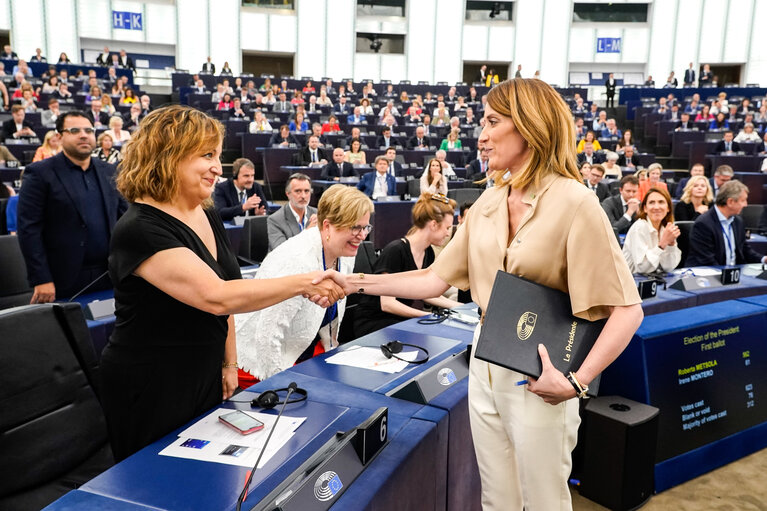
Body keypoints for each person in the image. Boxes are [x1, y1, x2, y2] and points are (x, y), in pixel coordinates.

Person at [320, 79, 643, 511]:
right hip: (484, 361)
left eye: (492, 122)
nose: (482, 136)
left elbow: (627, 310)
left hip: (540, 377)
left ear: (530, 126)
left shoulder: (577, 204)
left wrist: (575, 382)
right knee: (496, 499)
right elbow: (435, 279)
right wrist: (353, 283)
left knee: (545, 502)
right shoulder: (489, 202)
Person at [99, 105, 342, 461]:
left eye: (218, 155)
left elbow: (226, 287)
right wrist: (307, 281)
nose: (218, 167)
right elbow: (217, 296)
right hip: (153, 381)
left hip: (205, 370)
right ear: (168, 156)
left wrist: (229, 364)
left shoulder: (205, 211)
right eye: (206, 155)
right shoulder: (139, 227)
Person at [235, 186, 373, 384]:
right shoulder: (298, 260)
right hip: (260, 363)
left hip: (302, 351)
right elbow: (266, 335)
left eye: (366, 227)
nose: (362, 235)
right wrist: (280, 387)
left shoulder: (345, 249)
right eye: (355, 228)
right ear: (327, 226)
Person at [17, 111, 128, 302]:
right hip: (62, 277)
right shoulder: (39, 173)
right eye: (74, 130)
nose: (83, 135)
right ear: (59, 137)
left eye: (88, 130)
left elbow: (124, 218)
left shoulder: (110, 171)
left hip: (108, 273)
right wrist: (41, 278)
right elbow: (29, 229)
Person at [352, 193, 461, 337]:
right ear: (433, 225)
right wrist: (427, 317)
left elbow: (426, 292)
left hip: (397, 320)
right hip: (374, 322)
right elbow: (387, 304)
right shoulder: (395, 251)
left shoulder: (428, 252)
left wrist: (462, 308)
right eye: (447, 228)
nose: (448, 233)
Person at [686, 180, 767, 266]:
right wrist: (726, 275)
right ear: (730, 202)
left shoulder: (738, 222)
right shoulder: (703, 224)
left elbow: (744, 250)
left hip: (732, 274)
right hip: (709, 274)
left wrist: (763, 259)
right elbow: (706, 260)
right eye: (743, 200)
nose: (745, 205)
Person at [622, 187, 681, 273]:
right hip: (632, 281)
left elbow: (668, 267)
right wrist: (662, 244)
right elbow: (642, 268)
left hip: (654, 279)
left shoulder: (666, 228)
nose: (656, 207)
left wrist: (671, 245)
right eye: (652, 203)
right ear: (645, 208)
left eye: (661, 202)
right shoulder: (639, 227)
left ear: (668, 208)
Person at [268, 173, 318, 251]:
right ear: (288, 194)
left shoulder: (318, 214)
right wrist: (308, 231)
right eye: (298, 191)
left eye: (307, 191)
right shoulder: (275, 220)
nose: (303, 196)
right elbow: (282, 251)